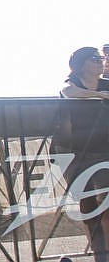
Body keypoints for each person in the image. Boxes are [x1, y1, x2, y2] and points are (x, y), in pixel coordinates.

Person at [58, 47, 109, 262]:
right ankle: (99, 254)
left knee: (107, 202)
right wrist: (98, 95)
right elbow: (68, 93)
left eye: (101, 59)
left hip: (106, 151)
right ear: (81, 64)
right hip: (79, 152)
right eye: (94, 59)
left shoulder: (106, 82)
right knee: (88, 207)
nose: (100, 62)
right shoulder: (72, 84)